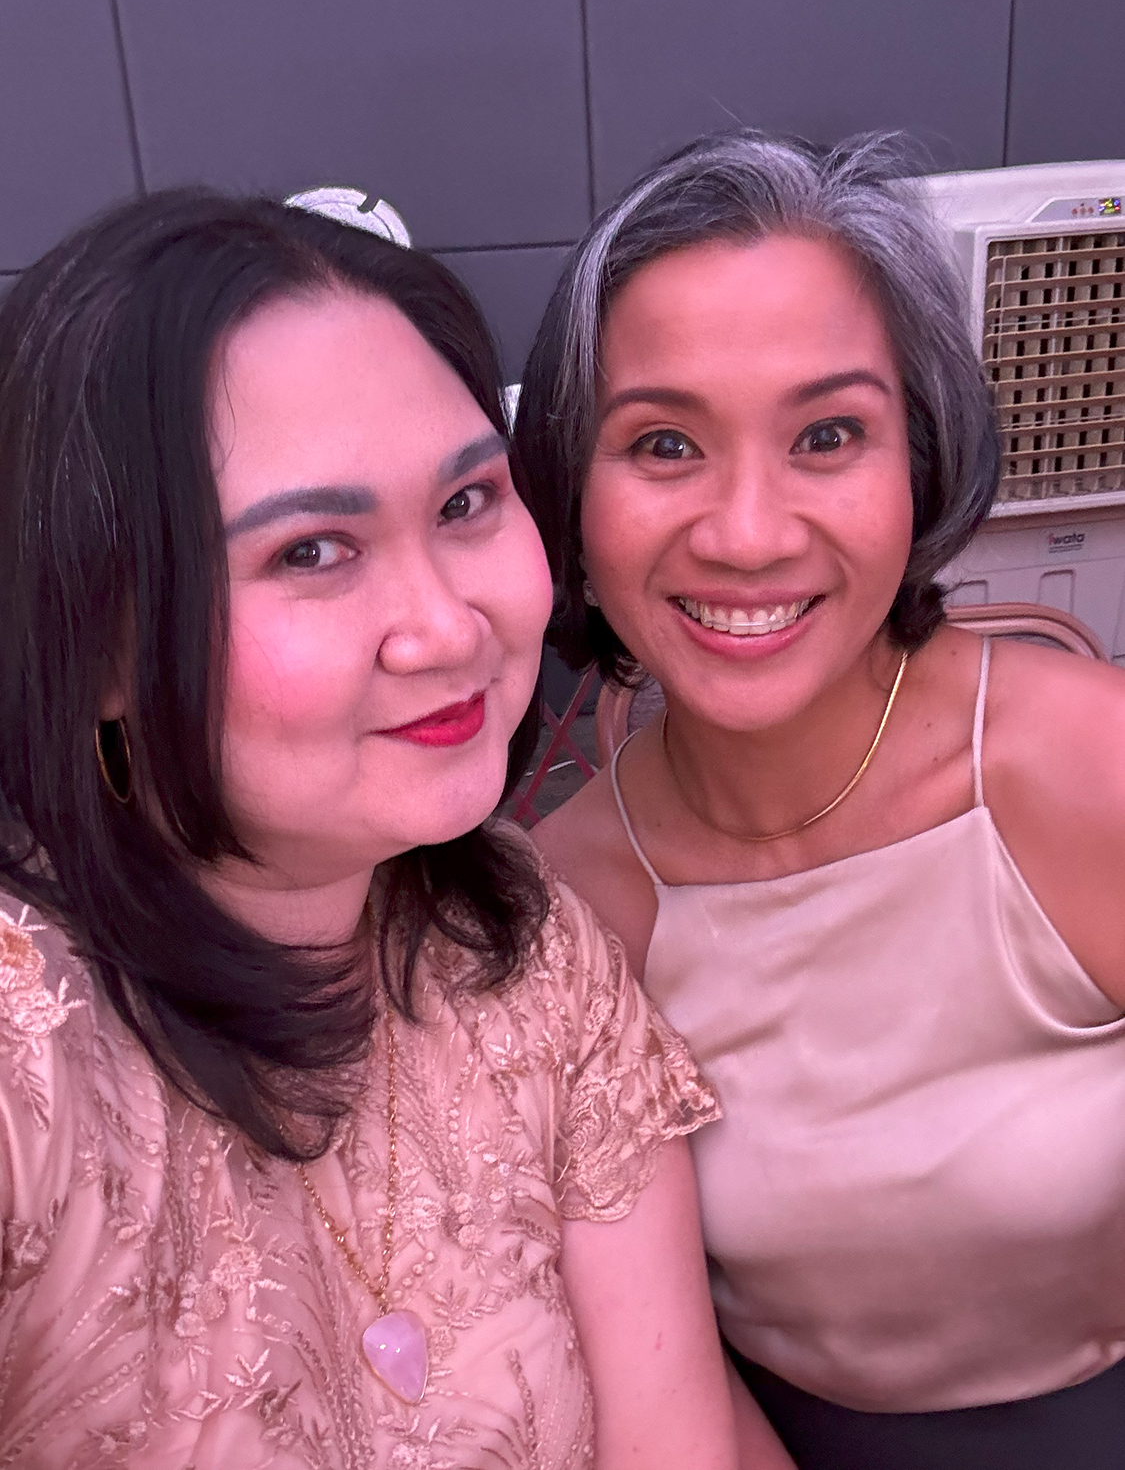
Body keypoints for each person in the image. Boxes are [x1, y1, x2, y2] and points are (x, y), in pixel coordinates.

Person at [0, 191, 788, 1469]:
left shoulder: (530, 959)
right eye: (312, 551)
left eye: (468, 502)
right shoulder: (28, 1054)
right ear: (93, 643)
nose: (447, 627)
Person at [517, 130, 1125, 1469]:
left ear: (921, 459)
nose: (748, 532)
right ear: (569, 496)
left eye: (828, 435)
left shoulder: (1091, 769)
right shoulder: (564, 914)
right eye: (664, 443)